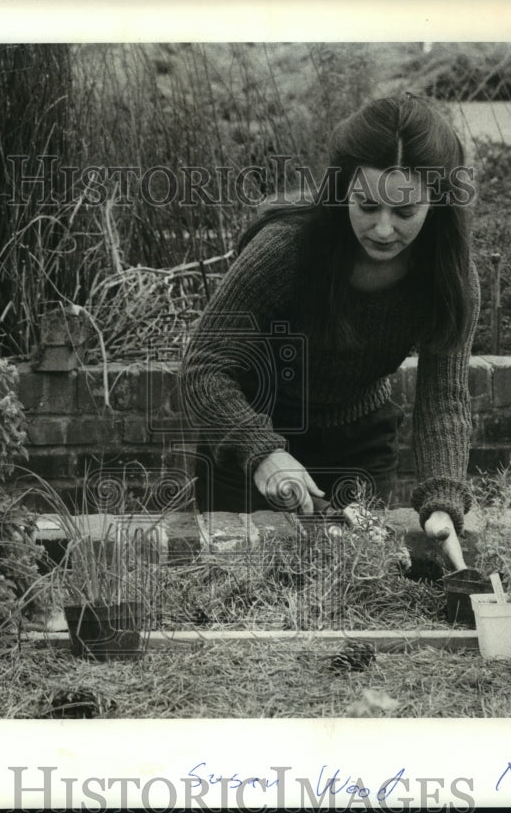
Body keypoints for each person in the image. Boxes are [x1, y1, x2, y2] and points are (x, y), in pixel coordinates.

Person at [180, 94, 478, 572]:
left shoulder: (448, 276)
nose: (383, 229)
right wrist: (261, 451)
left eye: (405, 213)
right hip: (251, 436)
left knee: (354, 578)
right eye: (367, 205)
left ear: (437, 202)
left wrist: (442, 501)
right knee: (244, 583)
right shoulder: (287, 247)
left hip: (359, 445)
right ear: (343, 190)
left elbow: (443, 398)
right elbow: (203, 368)